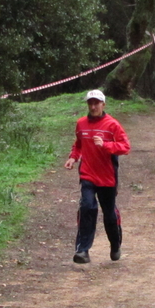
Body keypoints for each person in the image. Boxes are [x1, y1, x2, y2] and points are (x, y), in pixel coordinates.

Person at [64, 89, 131, 264]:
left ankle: (115, 245)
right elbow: (79, 144)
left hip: (107, 177)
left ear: (103, 104)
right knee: (87, 207)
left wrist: (107, 145)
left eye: (96, 103)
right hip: (87, 174)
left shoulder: (112, 125)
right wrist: (73, 157)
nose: (93, 106)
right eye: (90, 103)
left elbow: (125, 147)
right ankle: (82, 251)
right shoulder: (81, 124)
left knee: (109, 214)